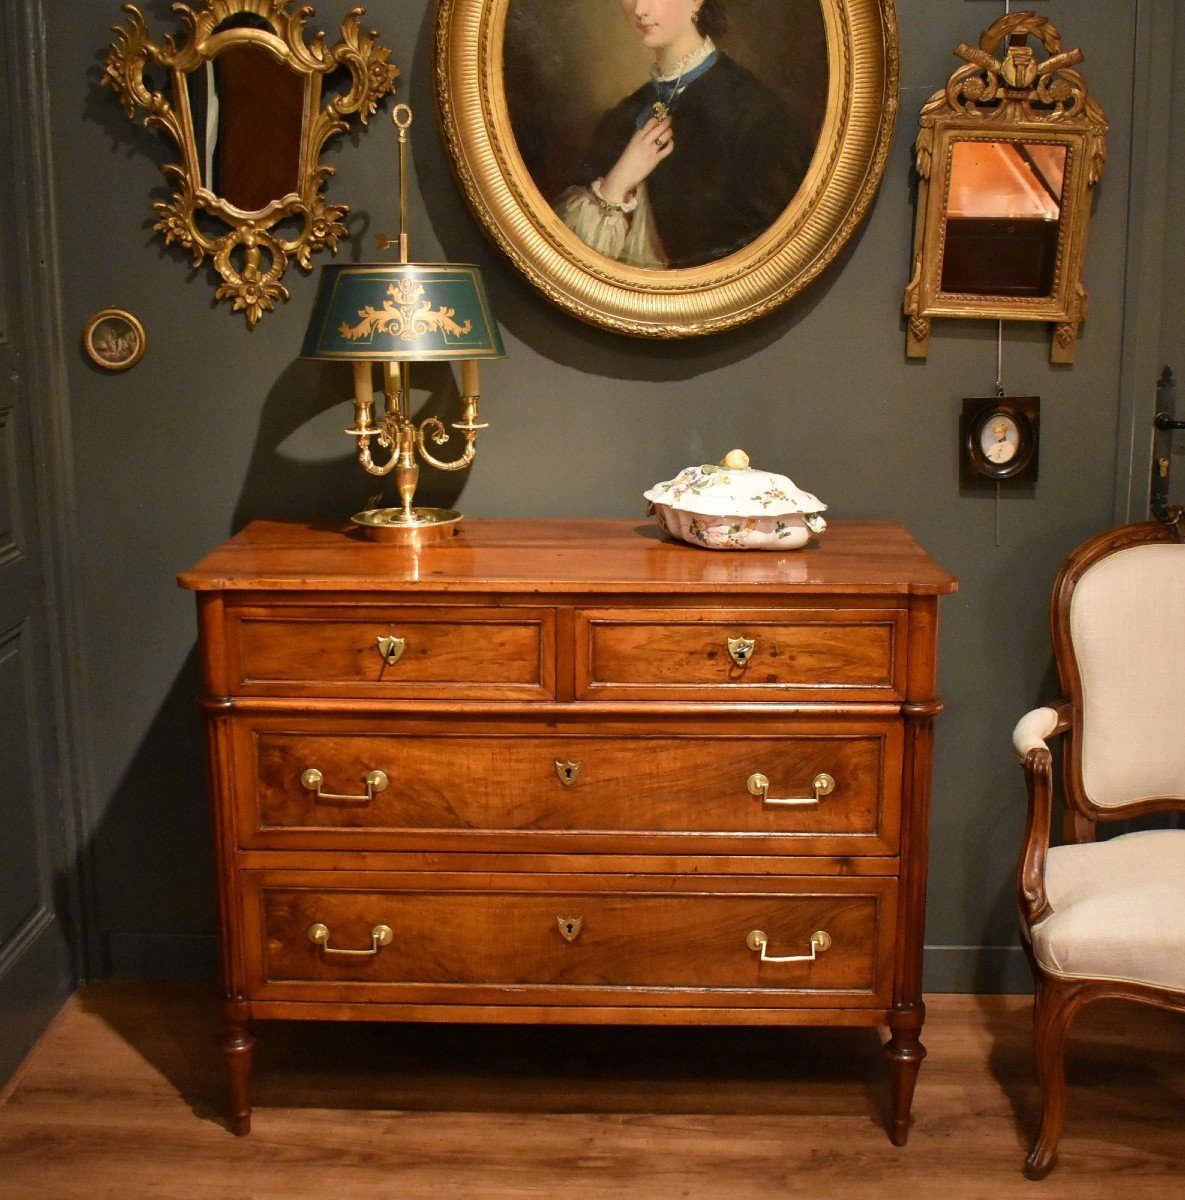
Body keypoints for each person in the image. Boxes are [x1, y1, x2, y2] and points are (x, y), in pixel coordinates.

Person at [554, 0, 811, 269]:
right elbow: (570, 256)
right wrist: (619, 181)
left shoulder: (757, 114)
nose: (640, 9)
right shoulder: (622, 117)